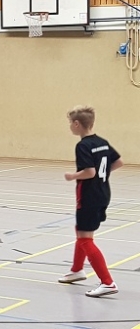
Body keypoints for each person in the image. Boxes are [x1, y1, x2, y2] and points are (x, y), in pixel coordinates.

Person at [59, 105, 122, 297]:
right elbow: (118, 162)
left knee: (85, 238)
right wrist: (103, 175)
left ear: (77, 124)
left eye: (70, 123)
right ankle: (77, 270)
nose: (70, 126)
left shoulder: (83, 145)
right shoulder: (102, 142)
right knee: (81, 230)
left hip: (89, 195)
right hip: (103, 192)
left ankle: (107, 282)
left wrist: (73, 176)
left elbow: (89, 172)